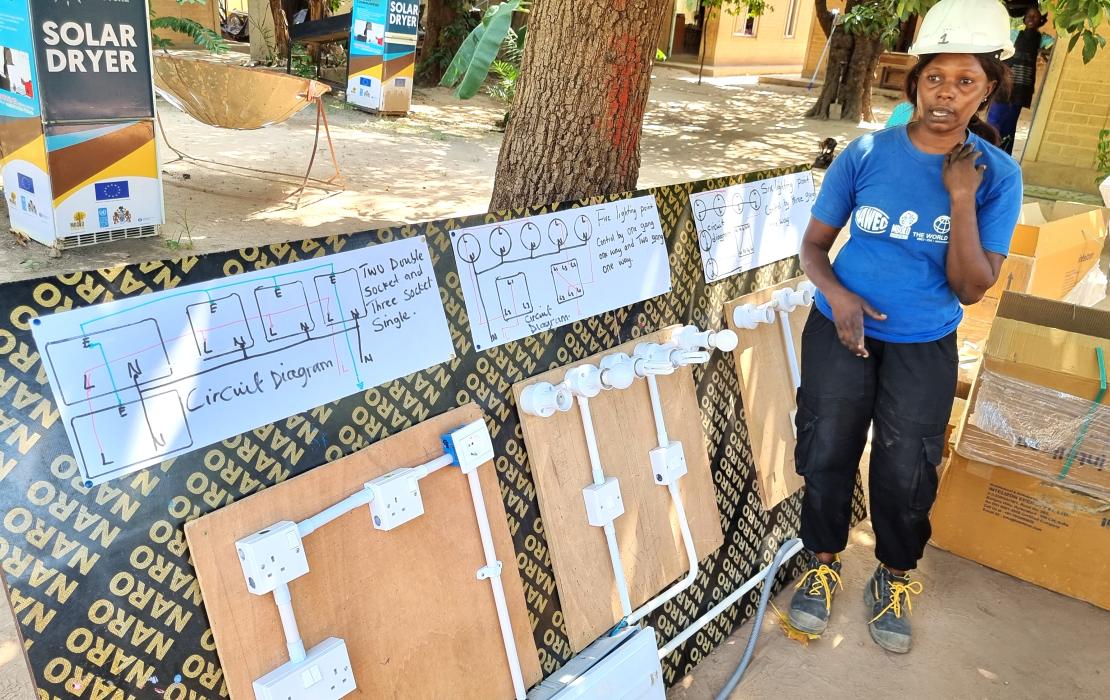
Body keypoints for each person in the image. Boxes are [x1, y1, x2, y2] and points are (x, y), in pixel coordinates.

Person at [786, 0, 1024, 654]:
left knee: (906, 468)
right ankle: (824, 565)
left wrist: (958, 198)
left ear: (989, 89)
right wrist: (840, 297)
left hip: (924, 344)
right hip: (840, 331)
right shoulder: (865, 153)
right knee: (828, 448)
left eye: (966, 81)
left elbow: (973, 288)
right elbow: (812, 248)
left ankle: (892, 576)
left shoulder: (996, 176)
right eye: (935, 78)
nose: (947, 94)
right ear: (913, 81)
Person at [987, 5, 1054, 155]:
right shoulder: (1014, 34)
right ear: (1024, 18)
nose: (1031, 18)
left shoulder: (1042, 39)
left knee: (1009, 126)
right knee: (993, 120)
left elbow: (1054, 48)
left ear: (1041, 20)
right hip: (1004, 84)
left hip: (1021, 89)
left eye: (1035, 16)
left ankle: (1003, 156)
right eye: (1029, 15)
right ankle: (987, 152)